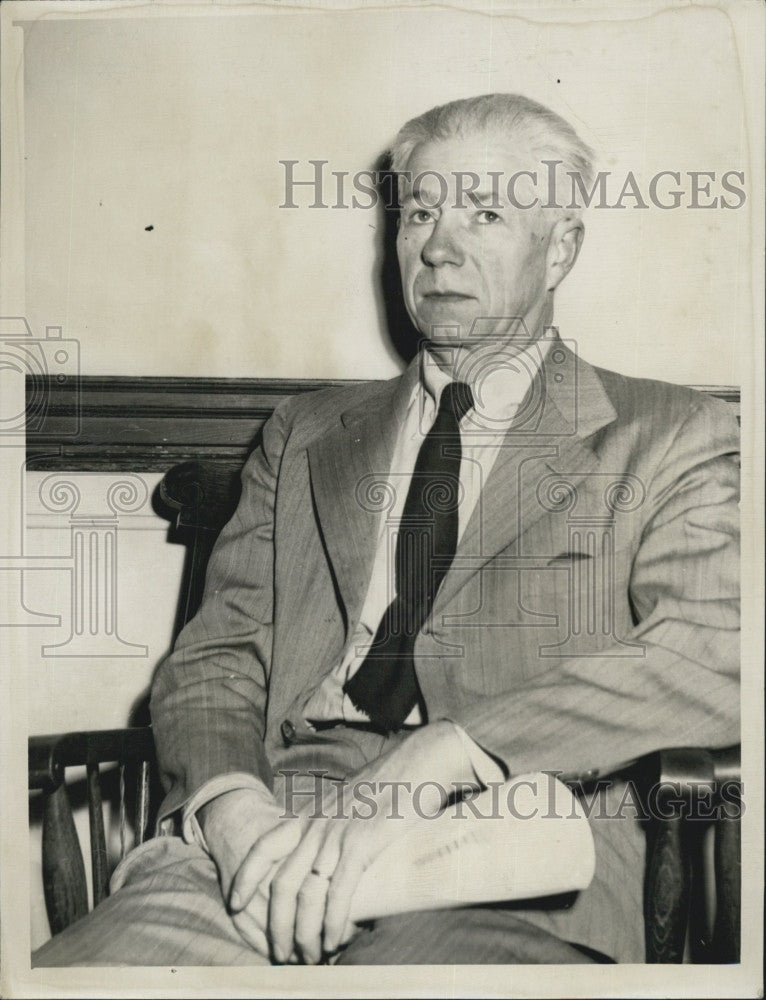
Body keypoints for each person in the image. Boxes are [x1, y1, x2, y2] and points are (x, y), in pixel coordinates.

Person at [34, 93, 740, 967]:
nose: (439, 247)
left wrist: (452, 751)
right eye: (420, 213)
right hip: (275, 833)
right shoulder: (302, 436)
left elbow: (720, 651)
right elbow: (216, 660)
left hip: (516, 861)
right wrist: (233, 810)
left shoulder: (669, 433)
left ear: (560, 247)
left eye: (486, 212)